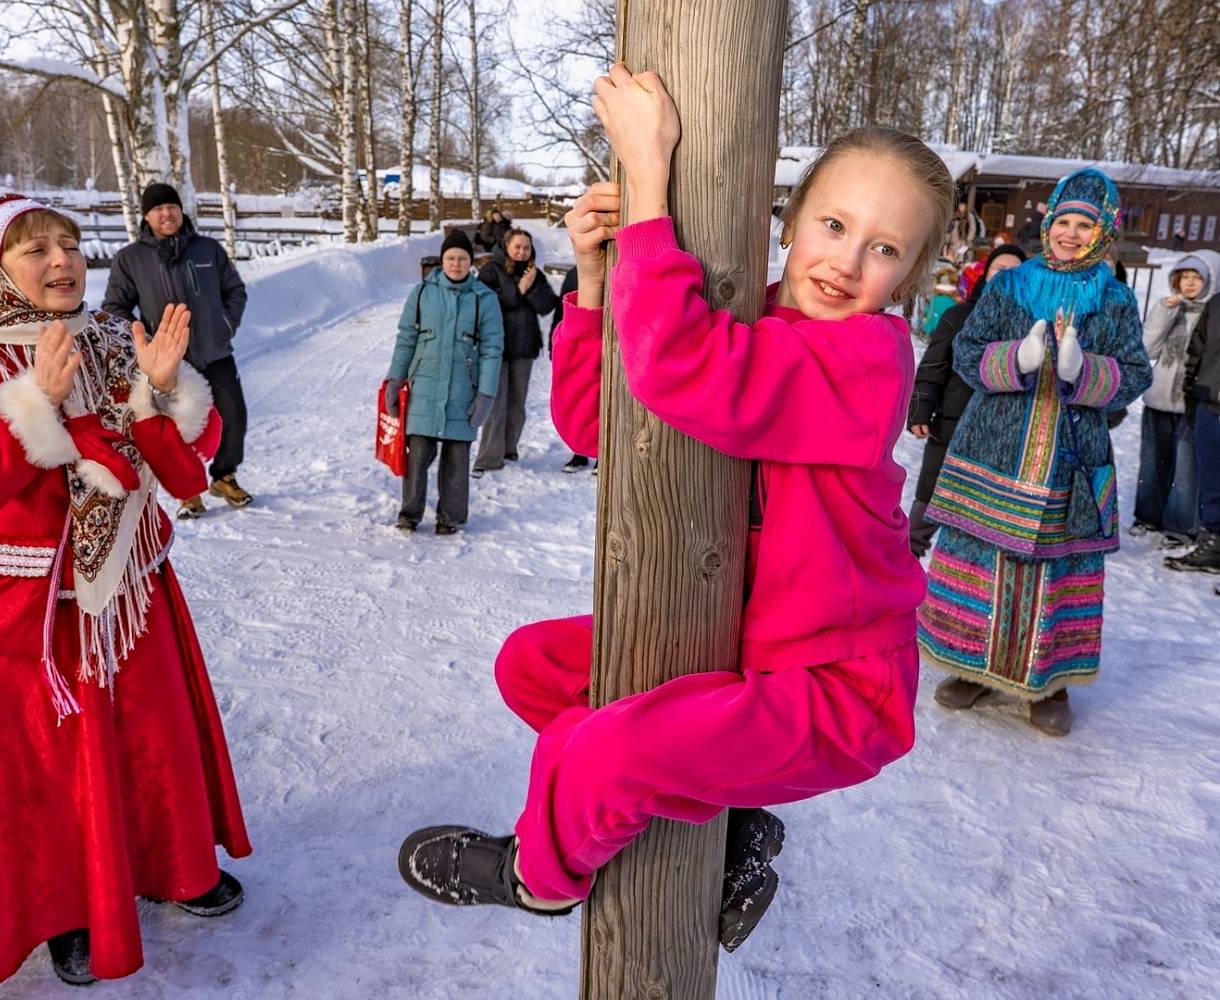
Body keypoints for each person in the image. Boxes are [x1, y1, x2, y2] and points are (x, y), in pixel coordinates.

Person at [397, 63, 953, 953]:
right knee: (531, 667)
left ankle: (539, 879)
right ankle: (727, 821)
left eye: (885, 249)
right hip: (747, 646)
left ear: (914, 273)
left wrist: (650, 188)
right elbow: (600, 423)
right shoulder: (758, 321)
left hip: (834, 686)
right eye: (834, 226)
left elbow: (684, 368)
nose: (847, 264)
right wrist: (588, 277)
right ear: (794, 217)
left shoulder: (867, 364)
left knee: (609, 755)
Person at [0, 194, 251, 987]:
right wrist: (39, 406)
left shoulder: (109, 337)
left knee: (149, 736)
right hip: (31, 613)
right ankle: (66, 906)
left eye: (69, 244)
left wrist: (162, 391)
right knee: (47, 765)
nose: (61, 262)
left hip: (128, 582)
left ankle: (173, 864)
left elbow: (181, 462)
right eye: (36, 251)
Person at [919, 168, 1151, 737]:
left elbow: (1136, 374)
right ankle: (971, 664)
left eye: (1084, 225)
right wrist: (1016, 360)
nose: (1070, 233)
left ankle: (1051, 681)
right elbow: (968, 352)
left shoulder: (1116, 299)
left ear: (1103, 233)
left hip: (1070, 460)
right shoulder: (1009, 285)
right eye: (1063, 222)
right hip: (995, 448)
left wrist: (1085, 370)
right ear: (1048, 225)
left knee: (1058, 566)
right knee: (983, 556)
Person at [104, 182, 253, 518]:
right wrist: (149, 344)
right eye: (157, 209)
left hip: (215, 352)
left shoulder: (207, 250)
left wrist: (225, 326)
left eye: (171, 207)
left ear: (181, 210)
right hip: (170, 364)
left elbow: (235, 290)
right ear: (146, 216)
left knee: (234, 417)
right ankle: (188, 493)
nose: (166, 214)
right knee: (179, 429)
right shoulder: (131, 259)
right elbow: (116, 308)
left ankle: (224, 477)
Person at [907, 242, 1027, 556]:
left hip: (1002, 432)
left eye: (1016, 270)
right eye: (1001, 268)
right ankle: (900, 570)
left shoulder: (1030, 324)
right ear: (987, 274)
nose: (1007, 275)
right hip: (952, 421)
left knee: (983, 510)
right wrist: (921, 409)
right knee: (931, 498)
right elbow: (934, 365)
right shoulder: (959, 315)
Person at [385, 229, 504, 534]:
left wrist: (486, 394)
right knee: (418, 457)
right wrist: (395, 380)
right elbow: (406, 339)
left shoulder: (484, 299)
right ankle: (409, 513)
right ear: (442, 260)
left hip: (463, 391)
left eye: (462, 258)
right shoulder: (422, 292)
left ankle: (450, 517)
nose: (456, 264)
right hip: (423, 387)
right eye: (450, 258)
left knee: (456, 460)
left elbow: (492, 349)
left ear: (471, 261)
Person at [1135, 252, 1216, 543]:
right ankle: (1147, 517)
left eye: (1197, 278)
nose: (1190, 284)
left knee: (1186, 469)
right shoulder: (1169, 307)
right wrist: (1163, 313)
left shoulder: (1212, 313)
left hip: (1192, 402)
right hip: (1158, 397)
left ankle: (1180, 527)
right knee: (1152, 462)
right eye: (1185, 277)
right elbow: (1147, 349)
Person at [473, 228, 559, 476]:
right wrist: (519, 289)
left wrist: (531, 288)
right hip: (496, 348)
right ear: (507, 246)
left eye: (527, 247)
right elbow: (485, 302)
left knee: (517, 402)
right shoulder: (491, 270)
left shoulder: (533, 273)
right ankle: (489, 457)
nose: (522, 252)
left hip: (524, 347)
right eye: (518, 246)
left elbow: (546, 306)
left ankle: (509, 450)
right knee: (495, 402)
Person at [1165, 289, 1220, 574]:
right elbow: (1197, 352)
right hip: (1210, 405)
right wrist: (1192, 396)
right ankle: (1214, 546)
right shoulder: (1217, 302)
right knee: (1212, 484)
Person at [551, 267, 595, 473]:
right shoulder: (573, 274)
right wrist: (555, 341)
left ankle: (603, 456)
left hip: (608, 342)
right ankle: (580, 455)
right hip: (580, 342)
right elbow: (562, 310)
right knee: (582, 397)